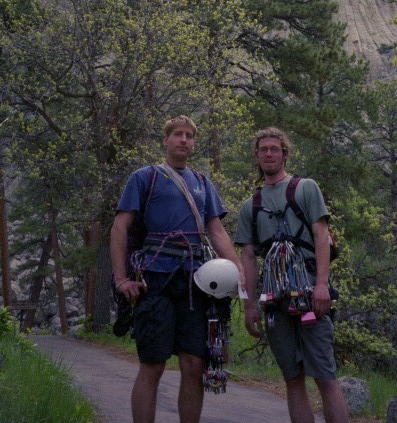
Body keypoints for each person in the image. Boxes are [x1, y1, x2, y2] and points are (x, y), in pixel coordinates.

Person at [110, 114, 244, 423]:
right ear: (166, 140)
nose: (184, 139)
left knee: (194, 364)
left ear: (194, 143)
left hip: (197, 283)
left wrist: (239, 272)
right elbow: (119, 228)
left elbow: (217, 232)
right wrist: (121, 280)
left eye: (189, 135)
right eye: (178, 134)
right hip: (154, 279)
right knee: (153, 364)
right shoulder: (144, 177)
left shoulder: (202, 182)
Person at [235, 126, 349, 423]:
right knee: (292, 378)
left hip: (311, 294)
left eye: (274, 149)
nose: (269, 154)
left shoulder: (305, 188)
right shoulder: (251, 205)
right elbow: (247, 256)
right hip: (274, 301)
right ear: (257, 157)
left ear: (284, 153)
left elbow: (321, 234)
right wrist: (249, 306)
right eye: (263, 150)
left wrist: (322, 285)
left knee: (325, 377)